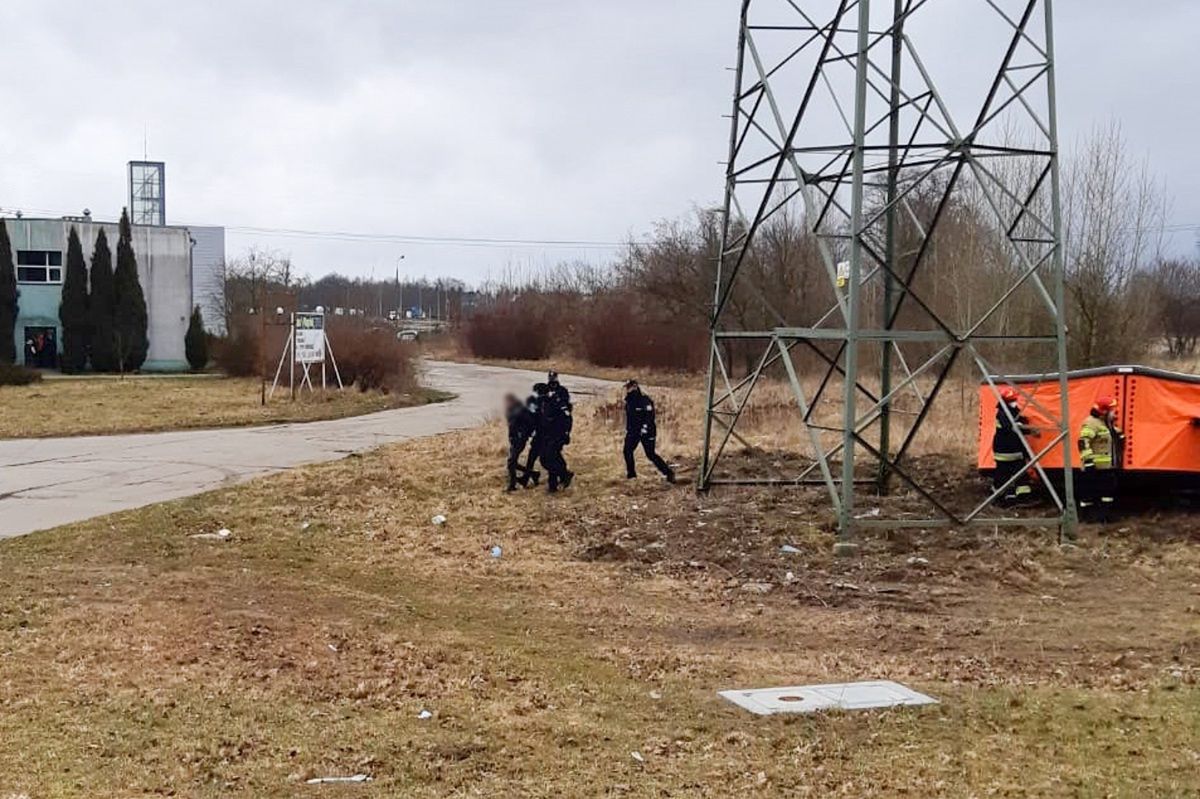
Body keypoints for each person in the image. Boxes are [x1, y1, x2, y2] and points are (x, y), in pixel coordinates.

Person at [1078, 395, 1124, 520]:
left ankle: (1104, 516)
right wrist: (1088, 462)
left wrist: (1119, 434)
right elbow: (1083, 442)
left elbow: (1108, 434)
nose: (1114, 412)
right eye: (1112, 410)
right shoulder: (1091, 423)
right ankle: (1086, 517)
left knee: (1107, 492)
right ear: (1104, 411)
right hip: (1094, 467)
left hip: (1106, 467)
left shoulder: (1104, 423)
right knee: (1089, 493)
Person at [623, 380, 676, 483]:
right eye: (626, 387)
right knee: (627, 451)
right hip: (633, 431)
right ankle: (631, 476)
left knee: (650, 454)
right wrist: (629, 429)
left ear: (635, 386)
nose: (627, 389)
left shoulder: (644, 400)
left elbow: (649, 416)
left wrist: (645, 428)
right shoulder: (629, 400)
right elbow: (630, 417)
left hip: (646, 431)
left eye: (629, 387)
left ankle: (669, 473)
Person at [992, 386, 1036, 505]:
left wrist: (1026, 424)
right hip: (1004, 451)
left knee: (1021, 476)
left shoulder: (1014, 411)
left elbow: (1020, 421)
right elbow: (1011, 427)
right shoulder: (1001, 414)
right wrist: (1027, 429)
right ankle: (1000, 498)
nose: (1014, 403)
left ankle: (1023, 497)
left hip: (1016, 451)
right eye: (1011, 401)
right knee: (1003, 476)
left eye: (1014, 400)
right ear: (1005, 401)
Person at [536, 381, 574, 493]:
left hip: (558, 434)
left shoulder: (556, 402)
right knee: (550, 457)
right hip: (548, 435)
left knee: (549, 457)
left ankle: (559, 479)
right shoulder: (543, 403)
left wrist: (566, 433)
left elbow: (567, 417)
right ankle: (561, 477)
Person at [504, 393, 540, 492]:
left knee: (511, 463)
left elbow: (530, 424)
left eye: (507, 401)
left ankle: (512, 485)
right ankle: (533, 474)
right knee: (512, 463)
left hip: (520, 440)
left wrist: (524, 435)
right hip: (514, 440)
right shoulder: (510, 411)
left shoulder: (522, 411)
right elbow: (511, 427)